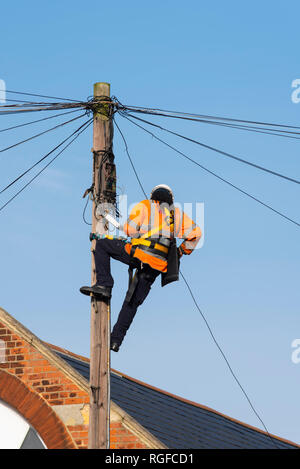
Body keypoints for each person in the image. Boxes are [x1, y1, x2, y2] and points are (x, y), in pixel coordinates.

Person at [80, 184, 202, 352]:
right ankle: (115, 341)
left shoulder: (146, 205)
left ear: (153, 196)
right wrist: (181, 251)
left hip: (138, 254)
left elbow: (130, 230)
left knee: (101, 245)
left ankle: (105, 285)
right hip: (158, 265)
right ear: (171, 199)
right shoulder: (177, 215)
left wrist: (118, 225)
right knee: (132, 302)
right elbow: (196, 233)